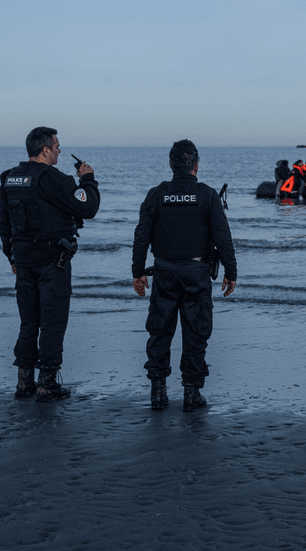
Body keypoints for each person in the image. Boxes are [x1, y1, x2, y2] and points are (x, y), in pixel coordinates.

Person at [0, 126, 101, 401]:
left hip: (24, 261)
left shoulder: (10, 178)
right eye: (56, 147)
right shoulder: (54, 179)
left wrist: (12, 257)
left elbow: (3, 225)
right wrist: (88, 180)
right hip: (53, 262)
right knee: (53, 322)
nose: (59, 151)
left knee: (29, 322)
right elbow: (88, 207)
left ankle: (24, 382)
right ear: (44, 150)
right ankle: (46, 383)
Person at [131, 139, 237, 411]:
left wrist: (138, 272)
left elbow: (141, 236)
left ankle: (158, 392)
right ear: (196, 165)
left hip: (164, 271)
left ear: (171, 164)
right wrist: (231, 271)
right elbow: (223, 237)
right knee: (196, 332)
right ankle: (191, 393)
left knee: (159, 331)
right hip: (196, 273)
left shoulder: (156, 194)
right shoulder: (207, 195)